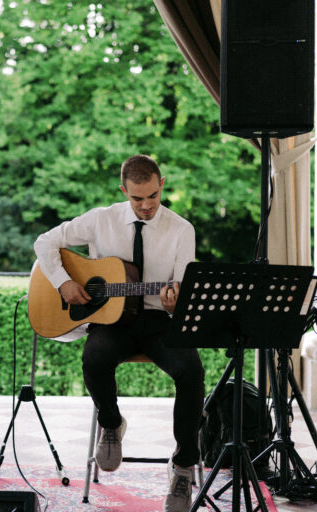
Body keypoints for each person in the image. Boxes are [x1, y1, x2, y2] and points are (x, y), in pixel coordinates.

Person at [33, 155, 204, 512]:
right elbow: (44, 243)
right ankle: (111, 424)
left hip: (160, 320)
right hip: (112, 321)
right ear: (123, 191)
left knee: (191, 371)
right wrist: (63, 282)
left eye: (153, 197)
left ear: (162, 186)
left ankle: (184, 466)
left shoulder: (181, 229)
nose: (146, 206)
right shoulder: (100, 220)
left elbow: (183, 287)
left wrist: (176, 303)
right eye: (137, 198)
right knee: (94, 357)